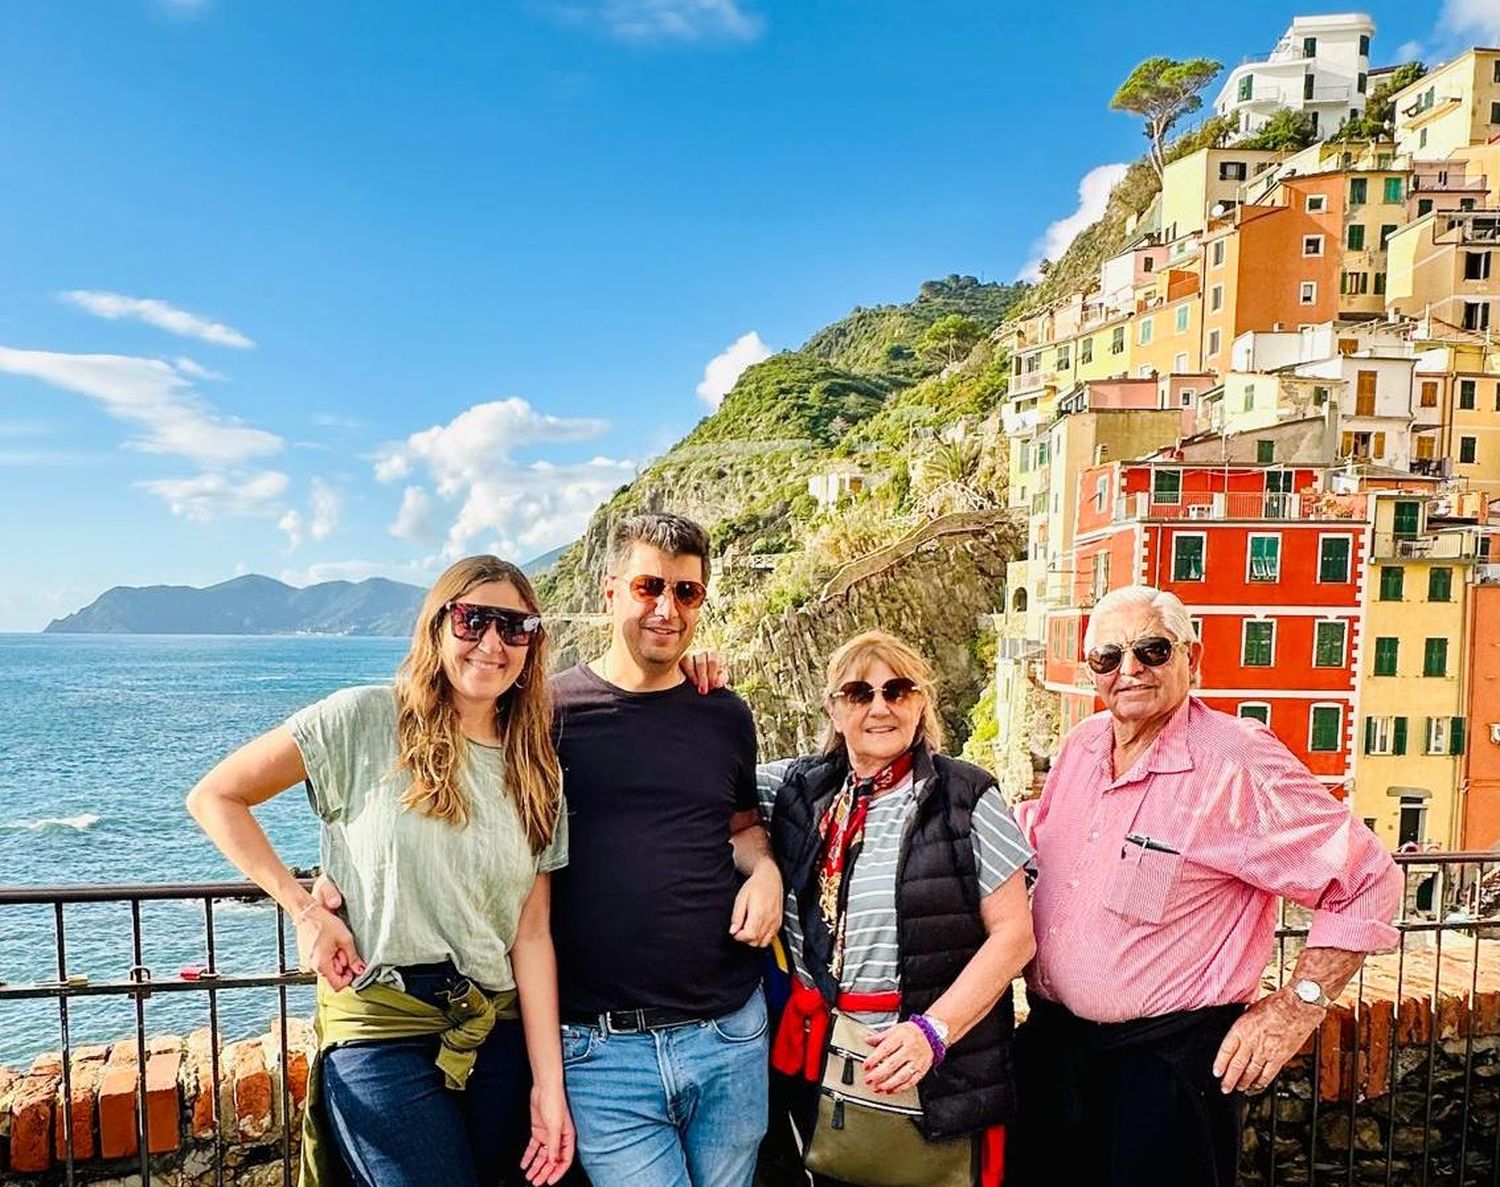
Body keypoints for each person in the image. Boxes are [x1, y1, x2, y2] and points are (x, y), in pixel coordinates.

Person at [187, 555, 573, 1187]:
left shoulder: (537, 770)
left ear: (532, 643)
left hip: (492, 1035)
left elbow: (531, 937)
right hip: (381, 1028)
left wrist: (548, 1088)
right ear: (437, 627)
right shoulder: (365, 720)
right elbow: (216, 797)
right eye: (473, 620)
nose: (493, 643)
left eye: (515, 626)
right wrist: (305, 909)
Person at [1006, 584, 1403, 1187]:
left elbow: (1368, 880)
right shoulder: (1083, 746)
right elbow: (1032, 844)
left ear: (1194, 655)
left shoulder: (1236, 763)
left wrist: (1296, 1009)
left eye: (1152, 651)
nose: (1130, 670)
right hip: (1055, 1053)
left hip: (1164, 1068)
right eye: (1108, 658)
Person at [548, 511, 782, 1187]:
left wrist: (765, 869)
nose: (666, 608)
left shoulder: (725, 713)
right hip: (603, 1050)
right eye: (649, 586)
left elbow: (741, 825)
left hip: (730, 1033)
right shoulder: (548, 713)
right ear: (610, 589)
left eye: (686, 592)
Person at [760, 629, 1035, 1187]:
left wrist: (933, 1032)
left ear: (921, 702)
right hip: (828, 1066)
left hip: (940, 1068)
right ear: (834, 711)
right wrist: (694, 683)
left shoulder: (967, 798)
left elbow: (1014, 937)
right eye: (859, 693)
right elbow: (707, 782)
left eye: (898, 689)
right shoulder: (798, 792)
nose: (879, 706)